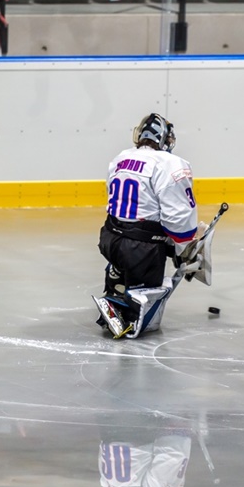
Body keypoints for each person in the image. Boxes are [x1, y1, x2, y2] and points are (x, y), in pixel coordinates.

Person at [94, 112, 204, 339]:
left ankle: (117, 275)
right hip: (141, 249)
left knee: (131, 242)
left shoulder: (121, 157)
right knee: (146, 321)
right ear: (165, 139)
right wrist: (184, 249)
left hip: (109, 238)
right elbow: (179, 219)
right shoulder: (171, 164)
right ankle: (130, 307)